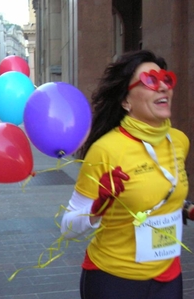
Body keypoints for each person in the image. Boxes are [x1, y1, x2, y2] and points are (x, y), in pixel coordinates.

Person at [60, 50, 189, 299]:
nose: (163, 86)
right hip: (114, 279)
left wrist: (186, 208)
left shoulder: (179, 142)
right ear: (126, 101)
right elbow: (68, 228)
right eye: (151, 80)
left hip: (168, 277)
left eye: (166, 79)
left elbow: (158, 193)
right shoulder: (105, 150)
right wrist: (98, 207)